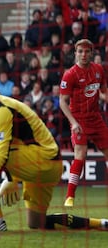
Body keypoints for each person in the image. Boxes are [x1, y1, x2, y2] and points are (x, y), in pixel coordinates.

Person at [0, 70, 108, 231]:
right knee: (37, 223)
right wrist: (12, 179)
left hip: (43, 161)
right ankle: (101, 223)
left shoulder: (1, 110)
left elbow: (0, 156)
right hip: (44, 165)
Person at [59, 39, 108, 207]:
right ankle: (69, 196)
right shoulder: (70, 74)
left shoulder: (99, 70)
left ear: (91, 53)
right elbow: (62, 102)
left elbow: (102, 90)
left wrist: (105, 96)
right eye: (80, 51)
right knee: (80, 155)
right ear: (75, 54)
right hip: (78, 119)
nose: (83, 54)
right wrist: (73, 122)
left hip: (95, 118)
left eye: (86, 51)